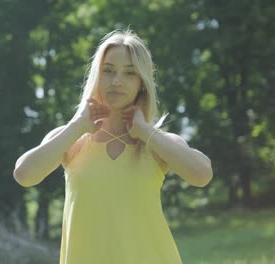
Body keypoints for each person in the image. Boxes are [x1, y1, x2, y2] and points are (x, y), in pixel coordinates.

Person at [13, 30, 213, 264]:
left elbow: (202, 175)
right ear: (97, 76)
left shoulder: (157, 143)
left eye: (129, 73)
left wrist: (146, 132)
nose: (117, 81)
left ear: (142, 83)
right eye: (108, 70)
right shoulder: (72, 139)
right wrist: (77, 126)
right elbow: (24, 175)